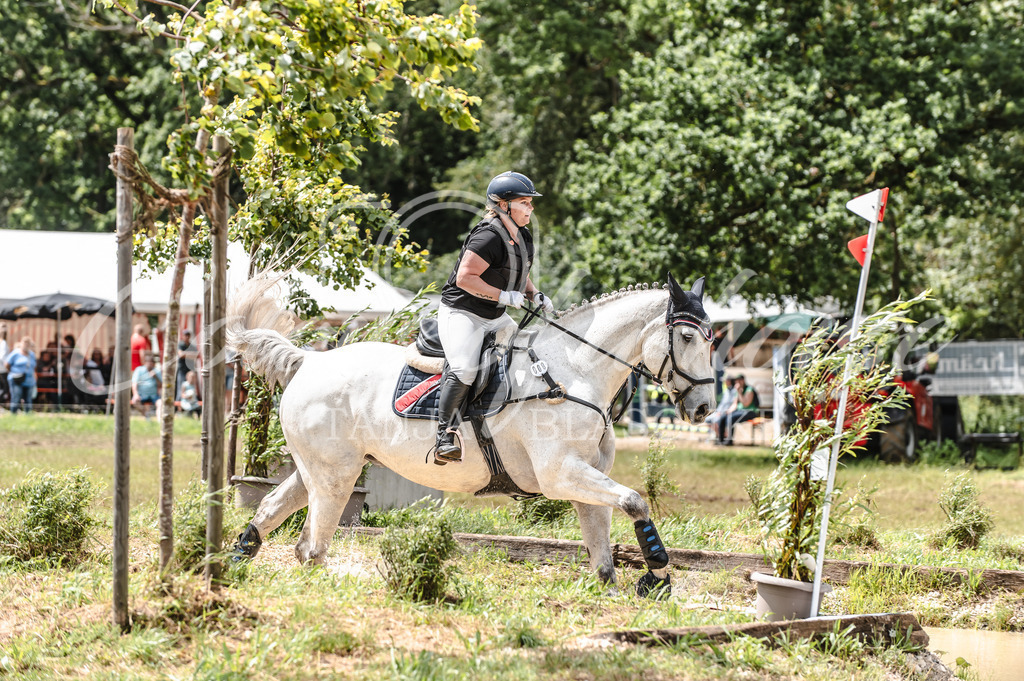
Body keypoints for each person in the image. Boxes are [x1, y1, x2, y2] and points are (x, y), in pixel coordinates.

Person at [433, 171, 554, 464]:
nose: (530, 209)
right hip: (463, 313)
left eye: (530, 203)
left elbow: (519, 273)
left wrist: (533, 294)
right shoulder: (487, 235)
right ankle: (444, 436)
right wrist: (502, 296)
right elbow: (465, 278)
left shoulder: (523, 236)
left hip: (495, 317)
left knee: (528, 352)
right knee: (464, 368)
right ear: (503, 205)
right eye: (524, 203)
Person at [716, 374, 760, 445]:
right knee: (723, 417)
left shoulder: (749, 389)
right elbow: (734, 404)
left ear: (743, 381)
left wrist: (739, 392)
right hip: (740, 411)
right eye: (736, 381)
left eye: (739, 380)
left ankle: (729, 441)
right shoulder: (738, 391)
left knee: (731, 418)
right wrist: (728, 411)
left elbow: (746, 404)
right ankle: (721, 440)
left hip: (750, 412)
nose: (738, 382)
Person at [4, 337, 37, 413]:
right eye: (24, 342)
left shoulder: (31, 354)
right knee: (16, 397)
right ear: (21, 343)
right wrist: (12, 372)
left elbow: (34, 367)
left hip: (29, 380)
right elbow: (7, 364)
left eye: (28, 343)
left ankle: (28, 414)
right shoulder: (15, 353)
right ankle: (13, 413)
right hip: (16, 379)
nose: (26, 345)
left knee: (28, 399)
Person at [131, 352, 162, 418]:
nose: (150, 364)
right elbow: (134, 383)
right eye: (149, 362)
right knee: (135, 401)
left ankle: (159, 422)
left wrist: (155, 377)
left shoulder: (157, 371)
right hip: (142, 395)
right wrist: (135, 394)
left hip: (154, 395)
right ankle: (147, 416)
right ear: (145, 362)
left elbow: (160, 385)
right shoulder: (139, 370)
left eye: (152, 362)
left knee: (160, 404)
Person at [176, 329, 198, 400]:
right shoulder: (181, 344)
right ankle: (180, 405)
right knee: (181, 388)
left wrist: (186, 354)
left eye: (188, 335)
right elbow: (181, 355)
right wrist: (191, 354)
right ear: (183, 336)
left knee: (190, 388)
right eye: (185, 335)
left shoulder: (192, 346)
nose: (187, 337)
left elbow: (197, 355)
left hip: (190, 370)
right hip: (182, 370)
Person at [0, 323, 9, 405]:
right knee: (4, 388)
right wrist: (8, 367)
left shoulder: (3, 342)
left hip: (2, 368)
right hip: (2, 369)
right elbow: (2, 357)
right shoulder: (3, 343)